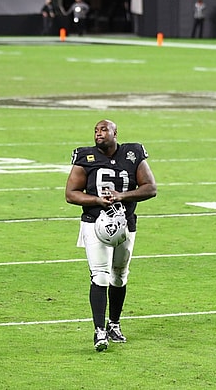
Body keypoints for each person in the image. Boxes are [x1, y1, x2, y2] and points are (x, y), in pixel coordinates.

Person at [65, 119, 157, 352]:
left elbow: (150, 188)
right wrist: (97, 200)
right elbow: (71, 194)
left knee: (120, 277)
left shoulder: (133, 154)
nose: (98, 133)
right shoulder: (85, 157)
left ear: (116, 133)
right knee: (100, 276)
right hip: (95, 223)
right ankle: (99, 331)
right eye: (96, 130)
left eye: (104, 130)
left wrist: (122, 197)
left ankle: (114, 324)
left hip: (125, 223)